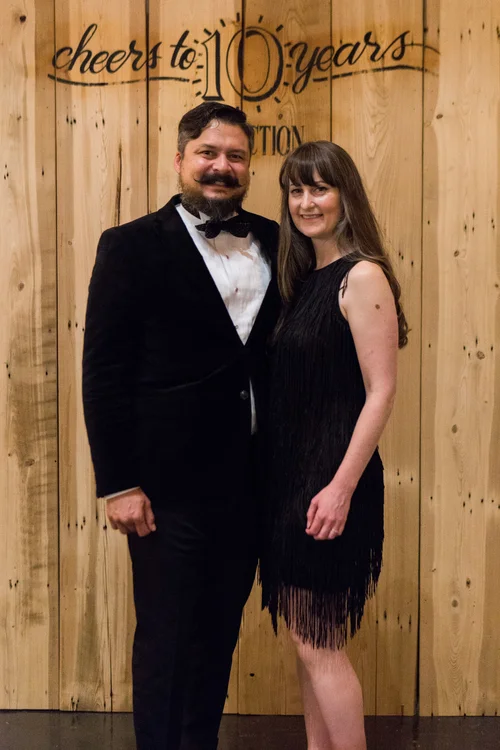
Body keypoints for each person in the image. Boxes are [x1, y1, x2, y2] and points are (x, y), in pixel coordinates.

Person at [82, 102, 280, 750]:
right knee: (167, 641)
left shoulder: (280, 242)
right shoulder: (130, 245)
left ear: (249, 166)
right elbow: (104, 373)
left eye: (235, 156)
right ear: (180, 160)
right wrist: (118, 483)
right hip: (165, 490)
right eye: (208, 153)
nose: (222, 167)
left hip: (250, 486)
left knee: (217, 637)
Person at [260, 141, 408, 750]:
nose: (305, 202)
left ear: (346, 195)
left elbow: (382, 391)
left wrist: (341, 488)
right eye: (295, 190)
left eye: (319, 188)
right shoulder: (304, 280)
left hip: (330, 481)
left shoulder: (362, 275)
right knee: (309, 643)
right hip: (291, 481)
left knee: (319, 644)